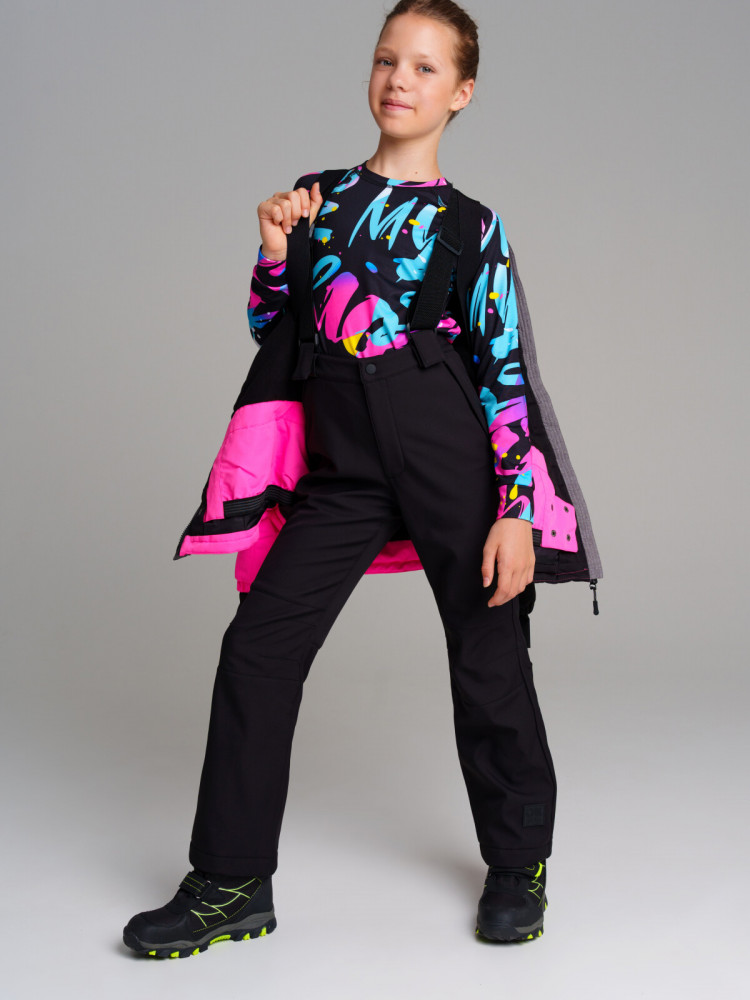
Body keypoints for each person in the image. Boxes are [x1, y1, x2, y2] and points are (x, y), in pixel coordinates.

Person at [124, 0, 558, 958]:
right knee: (258, 648)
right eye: (386, 59)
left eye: (426, 67)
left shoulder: (472, 226)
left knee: (488, 655)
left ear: (462, 92)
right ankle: (231, 882)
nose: (400, 79)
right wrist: (276, 251)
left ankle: (519, 862)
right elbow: (274, 331)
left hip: (450, 457)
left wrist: (517, 510)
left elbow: (503, 377)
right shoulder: (317, 196)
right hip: (344, 463)